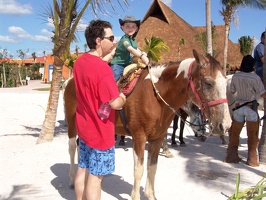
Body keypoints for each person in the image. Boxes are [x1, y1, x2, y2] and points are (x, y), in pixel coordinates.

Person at [73, 20, 126, 200]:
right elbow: (114, 103)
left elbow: (91, 76)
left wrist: (106, 58)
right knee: (96, 177)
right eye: (110, 38)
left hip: (84, 127)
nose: (113, 41)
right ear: (98, 40)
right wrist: (123, 98)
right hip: (101, 132)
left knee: (83, 168)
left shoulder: (79, 63)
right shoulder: (103, 70)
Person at [110, 15, 149, 146]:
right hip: (118, 65)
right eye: (127, 26)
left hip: (127, 65)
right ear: (122, 27)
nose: (130, 28)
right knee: (113, 83)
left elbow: (136, 48)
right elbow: (131, 50)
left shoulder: (133, 40)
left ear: (136, 28)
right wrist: (142, 56)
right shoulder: (124, 40)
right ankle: (106, 103)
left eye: (133, 26)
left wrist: (144, 53)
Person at [225, 55, 266, 167]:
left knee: (234, 135)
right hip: (251, 109)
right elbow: (262, 93)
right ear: (252, 65)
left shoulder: (235, 76)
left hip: (238, 108)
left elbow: (232, 91)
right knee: (253, 136)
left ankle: (231, 157)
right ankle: (252, 160)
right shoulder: (255, 78)